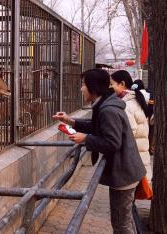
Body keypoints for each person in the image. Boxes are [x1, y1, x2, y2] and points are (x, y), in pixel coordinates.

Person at [53, 68, 146, 234]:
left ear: (93, 87)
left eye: (83, 85)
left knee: (121, 224)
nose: (81, 89)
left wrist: (86, 139)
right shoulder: (105, 104)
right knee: (125, 220)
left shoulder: (107, 109)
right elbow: (96, 126)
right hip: (125, 170)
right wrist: (70, 121)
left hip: (124, 173)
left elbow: (112, 142)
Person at [110, 70, 152, 182]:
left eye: (112, 84)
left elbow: (128, 135)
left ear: (122, 84)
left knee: (126, 197)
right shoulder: (135, 100)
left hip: (132, 161)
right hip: (139, 159)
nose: (110, 87)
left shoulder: (126, 105)